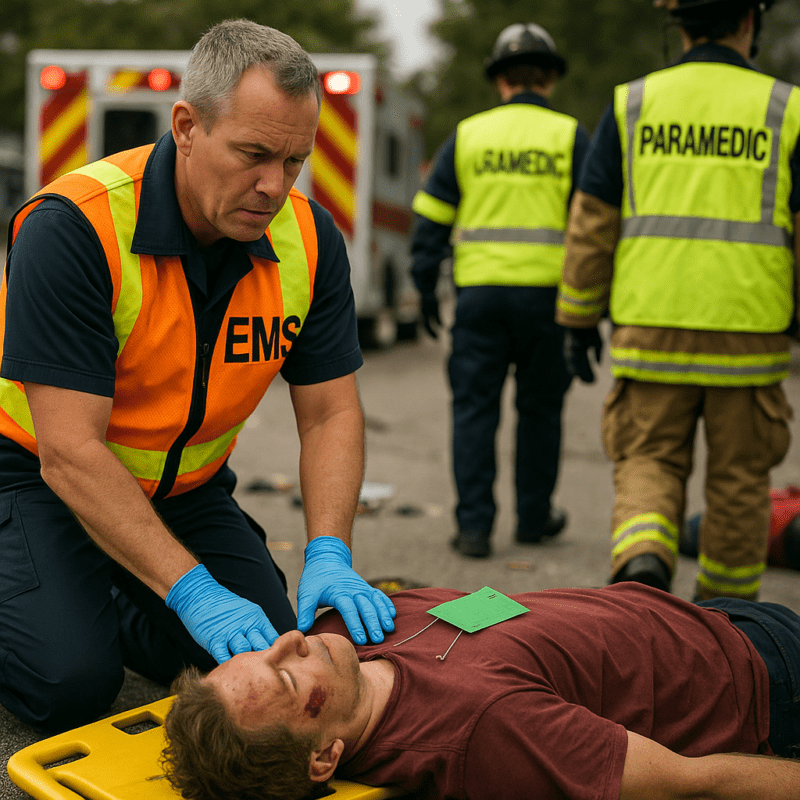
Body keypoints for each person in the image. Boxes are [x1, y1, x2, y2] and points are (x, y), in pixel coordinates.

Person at [0, 18, 396, 732]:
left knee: (280, 656)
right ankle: (66, 591)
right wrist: (190, 590)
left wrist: (330, 551)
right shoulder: (74, 228)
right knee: (69, 682)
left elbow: (331, 412)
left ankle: (108, 588)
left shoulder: (309, 239)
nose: (273, 186)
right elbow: (69, 450)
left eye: (295, 162)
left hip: (183, 491)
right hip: (37, 476)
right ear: (185, 126)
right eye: (253, 154)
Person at [556, 0, 800, 599]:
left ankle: (642, 566)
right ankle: (726, 616)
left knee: (648, 461)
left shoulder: (632, 103)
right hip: (749, 332)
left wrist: (579, 317)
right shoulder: (788, 109)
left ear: (682, 26)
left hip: (651, 328)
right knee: (741, 480)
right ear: (749, 21)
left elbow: (593, 223)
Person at [162, 584, 800, 800]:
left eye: (261, 648)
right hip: (763, 679)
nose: (292, 638)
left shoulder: (345, 632)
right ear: (323, 757)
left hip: (704, 618)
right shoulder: (483, 731)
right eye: (282, 676)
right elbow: (695, 783)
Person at [410, 24, 590, 558]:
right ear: (550, 78)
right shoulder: (571, 136)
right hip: (548, 301)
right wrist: (594, 307)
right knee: (541, 411)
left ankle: (474, 529)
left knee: (474, 411)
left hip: (481, 298)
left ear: (500, 81)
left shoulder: (469, 136)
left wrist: (423, 285)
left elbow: (432, 216)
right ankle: (533, 519)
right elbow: (592, 227)